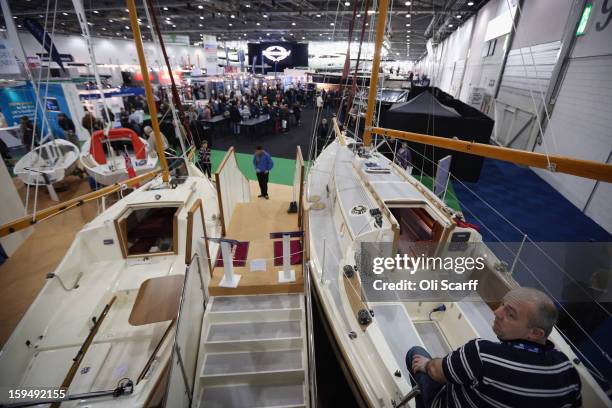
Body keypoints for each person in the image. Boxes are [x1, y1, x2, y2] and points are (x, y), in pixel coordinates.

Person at [406, 287, 582, 408]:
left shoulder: (482, 354)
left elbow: (437, 371)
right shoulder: (567, 371)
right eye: (502, 305)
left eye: (510, 314)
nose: (497, 313)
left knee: (416, 354)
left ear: (535, 333)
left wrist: (427, 364)